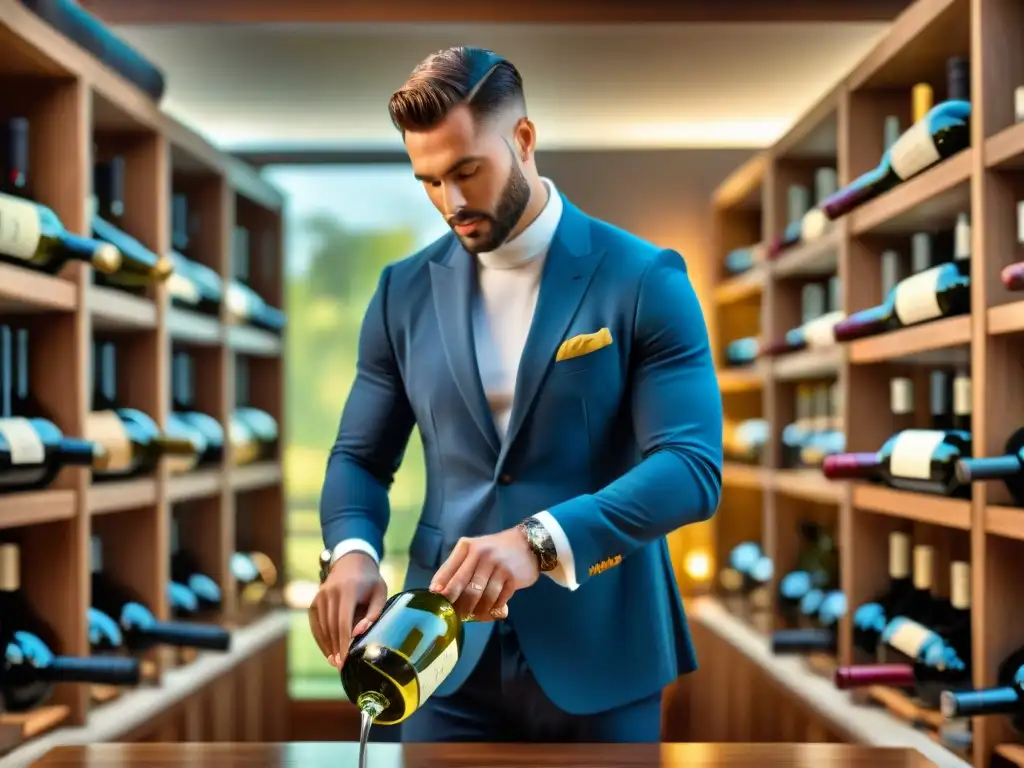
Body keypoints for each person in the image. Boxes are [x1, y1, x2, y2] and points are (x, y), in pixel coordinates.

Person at [309, 45, 722, 744]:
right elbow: (358, 456)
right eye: (430, 182)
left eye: (468, 171)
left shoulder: (645, 277)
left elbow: (691, 468)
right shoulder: (400, 293)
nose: (453, 203)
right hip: (435, 657)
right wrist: (352, 551)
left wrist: (540, 541)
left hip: (606, 651)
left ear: (523, 140)